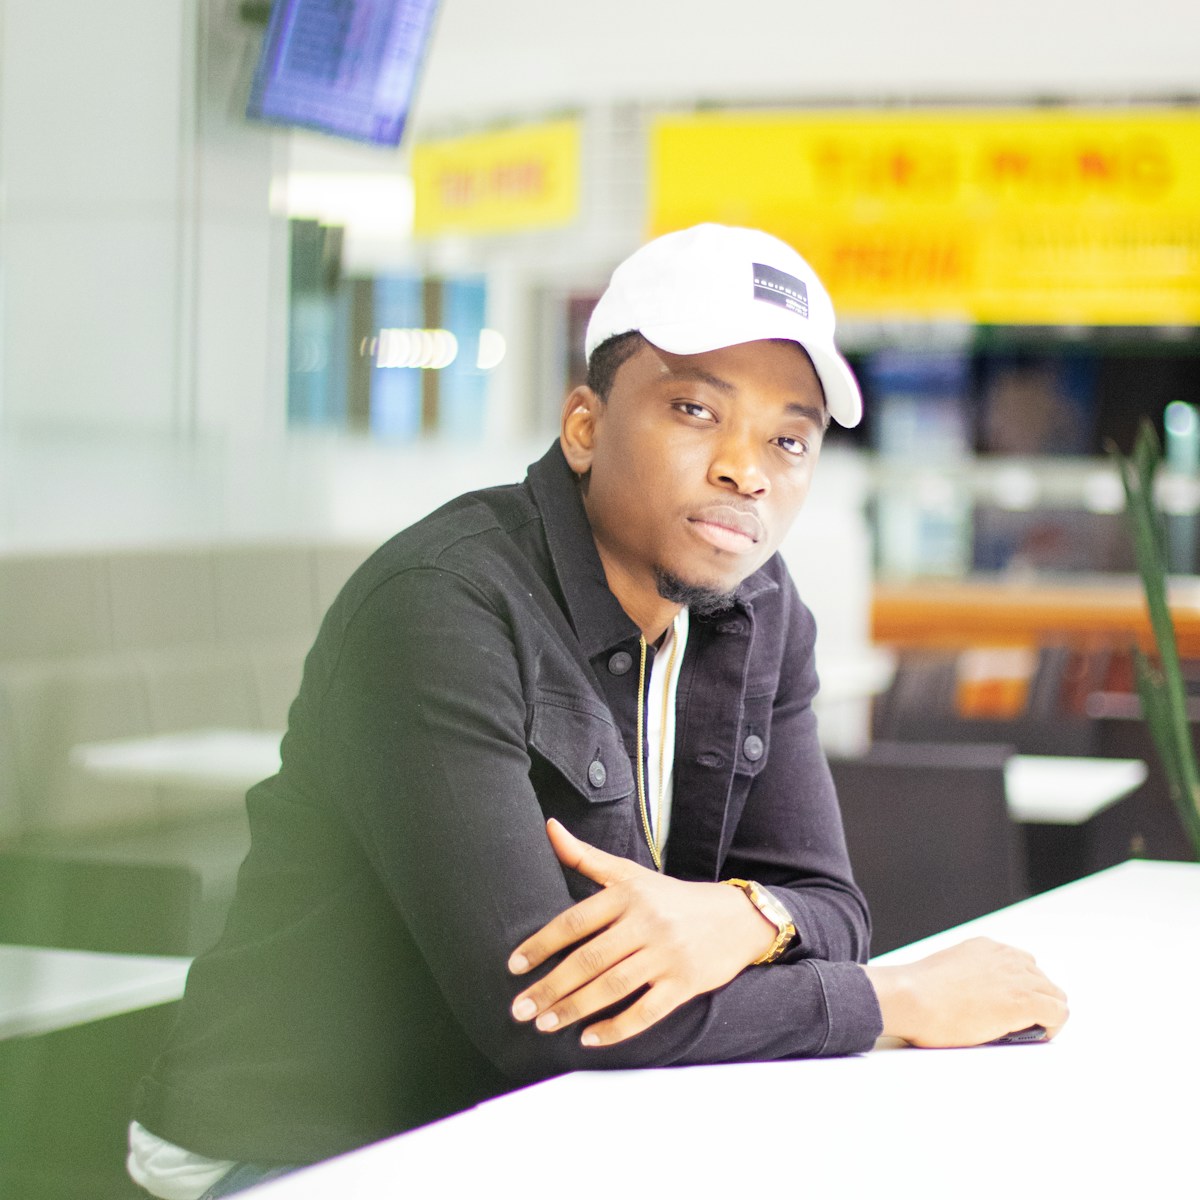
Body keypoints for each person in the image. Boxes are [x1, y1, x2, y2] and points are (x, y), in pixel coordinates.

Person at [128, 224, 1068, 1200]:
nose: (748, 470)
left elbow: (831, 907)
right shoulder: (442, 605)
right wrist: (891, 1001)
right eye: (697, 410)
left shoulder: (763, 607)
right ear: (585, 425)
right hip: (299, 1151)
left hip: (542, 1126)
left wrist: (741, 916)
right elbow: (548, 1018)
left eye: (789, 437)